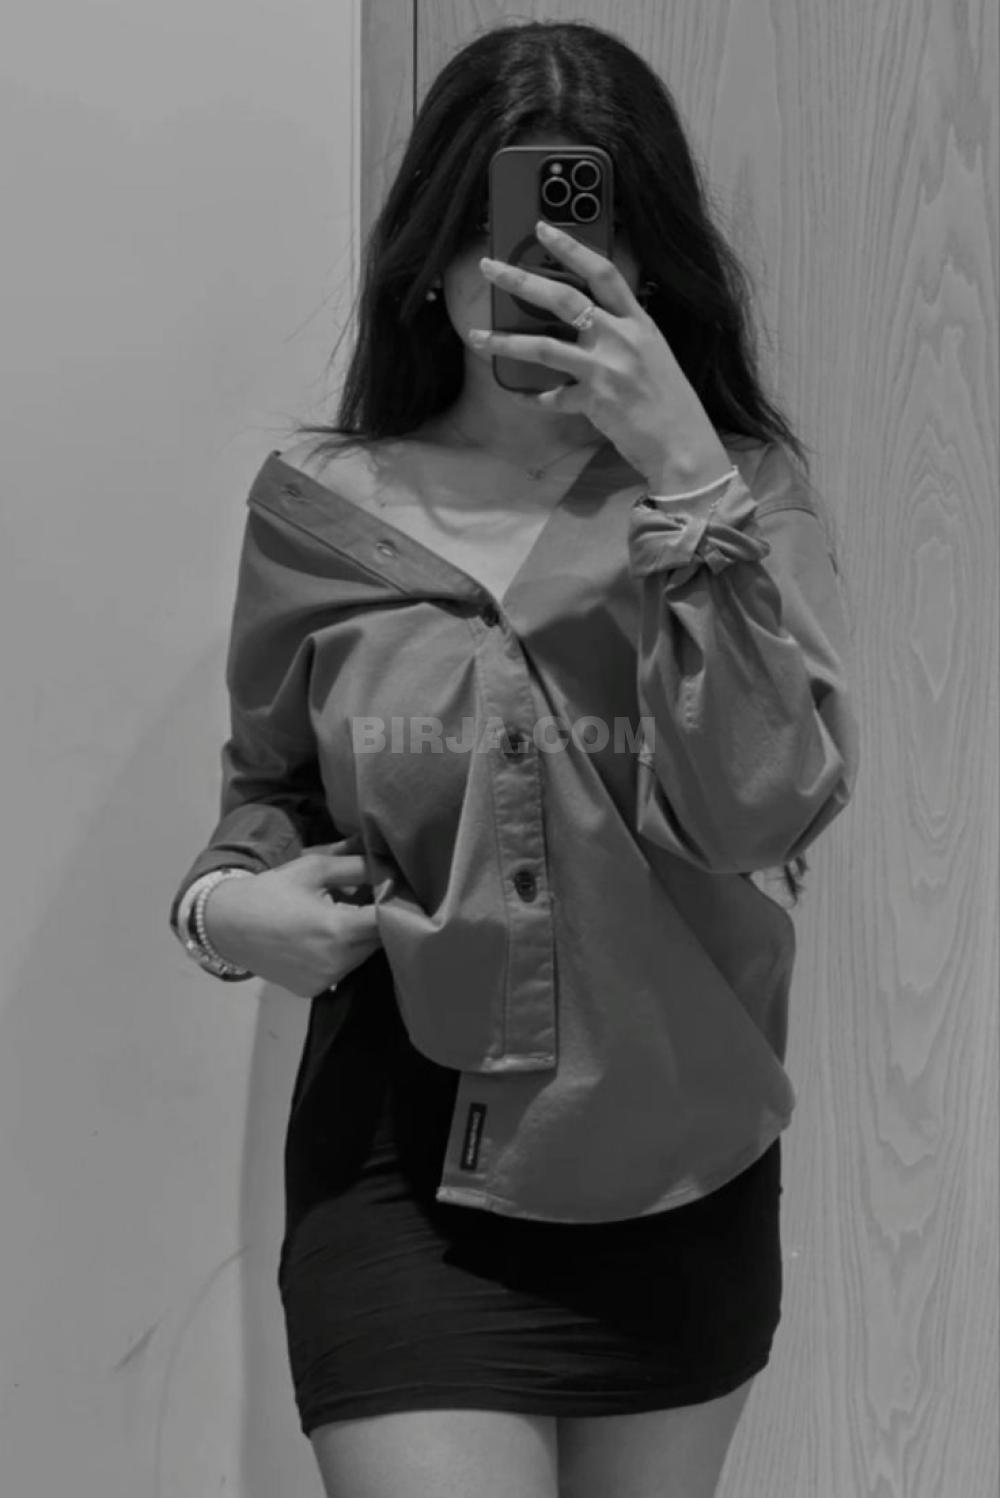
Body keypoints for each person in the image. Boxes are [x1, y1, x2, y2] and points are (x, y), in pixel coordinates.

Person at [169, 20, 859, 1498]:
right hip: (398, 1158)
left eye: (586, 240)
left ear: (650, 264)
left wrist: (688, 477)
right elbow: (267, 798)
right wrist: (223, 912)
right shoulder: (320, 507)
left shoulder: (742, 500)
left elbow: (763, 811)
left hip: (679, 1157)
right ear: (431, 254)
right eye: (501, 239)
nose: (538, 278)